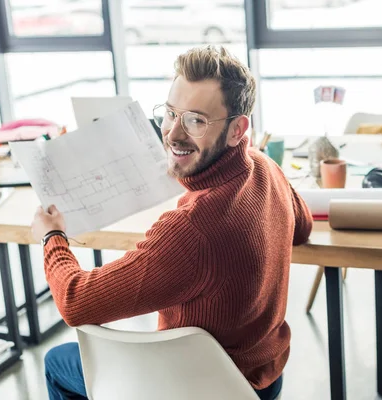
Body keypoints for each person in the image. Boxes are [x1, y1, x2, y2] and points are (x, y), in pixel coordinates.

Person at [32, 46, 313, 400]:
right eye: (170, 114)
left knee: (58, 360)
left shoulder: (190, 231)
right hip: (262, 381)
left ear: (236, 129)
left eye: (195, 120)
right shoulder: (265, 167)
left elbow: (75, 303)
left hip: (197, 389)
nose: (172, 134)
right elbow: (302, 227)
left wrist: (52, 237)